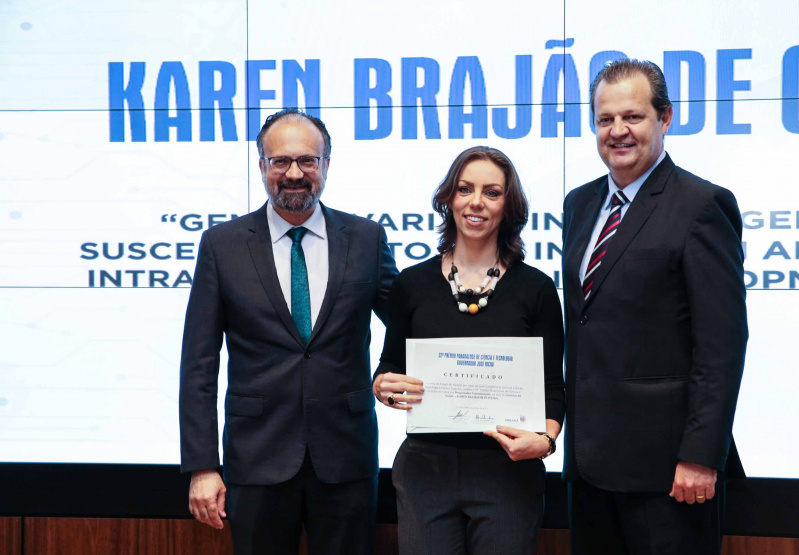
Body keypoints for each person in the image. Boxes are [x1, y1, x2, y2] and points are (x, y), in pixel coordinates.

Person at [178, 108, 398, 555]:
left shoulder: (366, 238)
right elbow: (199, 363)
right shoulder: (222, 245)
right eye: (280, 161)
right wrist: (202, 466)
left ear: (327, 165)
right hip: (256, 458)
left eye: (307, 161)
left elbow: (410, 326)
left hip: (346, 457)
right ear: (261, 166)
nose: (294, 173)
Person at [561, 58, 748, 554]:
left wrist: (700, 456)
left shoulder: (702, 205)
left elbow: (721, 344)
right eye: (605, 119)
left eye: (633, 116)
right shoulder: (579, 205)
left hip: (669, 474)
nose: (618, 131)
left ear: (665, 118)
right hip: (590, 469)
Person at [372, 146, 564, 554]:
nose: (476, 202)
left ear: (508, 206)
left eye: (492, 192)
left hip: (508, 472)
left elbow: (554, 387)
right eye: (465, 189)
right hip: (425, 469)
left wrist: (545, 441)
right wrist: (384, 388)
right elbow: (389, 367)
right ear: (449, 199)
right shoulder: (411, 284)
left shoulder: (538, 289)